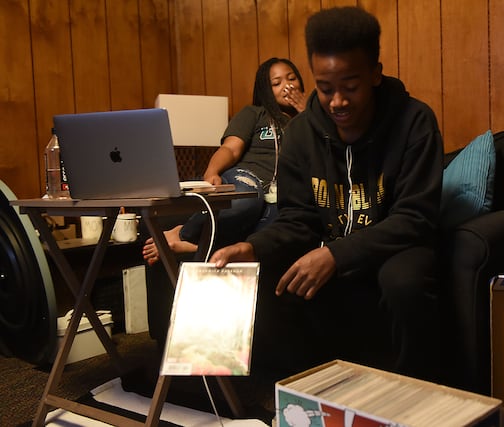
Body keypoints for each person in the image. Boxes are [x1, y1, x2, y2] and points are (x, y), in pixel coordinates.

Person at [209, 6, 444, 382]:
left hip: (397, 250)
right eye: (325, 88)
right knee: (271, 280)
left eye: (350, 87)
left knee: (405, 283)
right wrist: (253, 247)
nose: (337, 101)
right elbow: (297, 220)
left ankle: (415, 397)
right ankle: (305, 394)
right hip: (330, 246)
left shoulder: (415, 122)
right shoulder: (302, 133)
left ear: (375, 75)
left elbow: (415, 219)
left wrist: (335, 254)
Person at [144, 57, 306, 348]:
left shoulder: (310, 120)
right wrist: (212, 172)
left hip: (281, 197)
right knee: (246, 203)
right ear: (265, 89)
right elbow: (231, 148)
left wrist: (306, 113)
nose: (287, 86)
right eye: (277, 82)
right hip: (249, 180)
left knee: (267, 240)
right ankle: (182, 233)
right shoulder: (255, 114)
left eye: (291, 78)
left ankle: (194, 244)